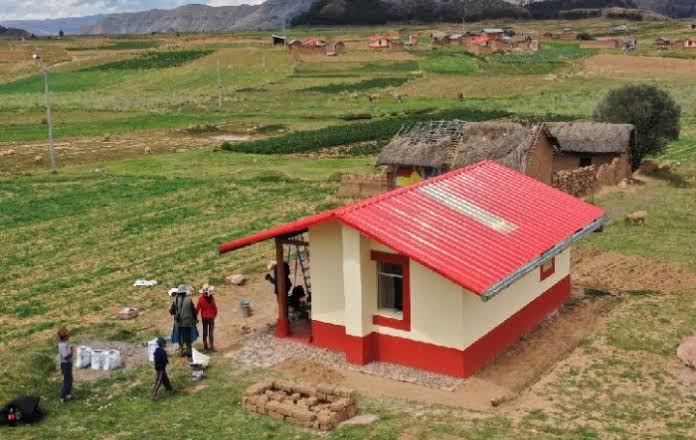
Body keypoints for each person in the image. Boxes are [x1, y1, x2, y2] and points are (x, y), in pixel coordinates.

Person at [169, 284, 197, 360]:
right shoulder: (189, 299)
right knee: (188, 338)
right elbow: (194, 311)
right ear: (185, 292)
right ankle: (189, 352)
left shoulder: (175, 300)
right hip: (188, 322)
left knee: (180, 338)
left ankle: (182, 351)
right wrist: (195, 319)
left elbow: (171, 312)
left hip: (178, 323)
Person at [196, 284, 218, 353]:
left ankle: (205, 347)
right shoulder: (212, 298)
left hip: (204, 318)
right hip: (211, 317)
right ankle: (212, 347)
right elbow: (215, 308)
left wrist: (195, 317)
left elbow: (197, 309)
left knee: (205, 332)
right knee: (211, 332)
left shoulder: (201, 299)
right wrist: (214, 315)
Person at [57, 327, 74, 404]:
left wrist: (70, 349)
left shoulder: (64, 344)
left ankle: (68, 394)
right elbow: (65, 356)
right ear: (65, 337)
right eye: (68, 335)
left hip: (68, 364)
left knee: (70, 380)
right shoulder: (62, 345)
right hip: (65, 365)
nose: (69, 336)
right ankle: (62, 397)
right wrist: (71, 352)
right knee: (67, 381)